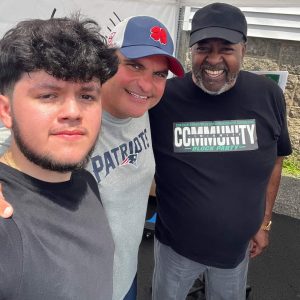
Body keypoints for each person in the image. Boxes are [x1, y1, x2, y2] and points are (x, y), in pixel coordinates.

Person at [0, 15, 184, 300]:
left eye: (159, 74)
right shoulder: (61, 134)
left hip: (124, 274)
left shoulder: (145, 107)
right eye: (135, 65)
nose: (146, 85)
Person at [149, 3, 292, 300]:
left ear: (243, 48)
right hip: (176, 250)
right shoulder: (165, 97)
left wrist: (263, 222)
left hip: (235, 253)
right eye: (203, 48)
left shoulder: (268, 95)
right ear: (191, 50)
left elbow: (276, 161)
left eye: (225, 48)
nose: (213, 60)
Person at [0, 15, 118, 299]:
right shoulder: (5, 223)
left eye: (87, 96)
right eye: (49, 95)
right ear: (5, 111)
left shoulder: (86, 182)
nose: (74, 112)